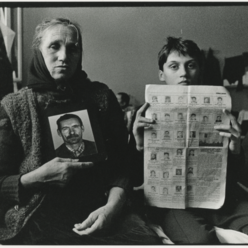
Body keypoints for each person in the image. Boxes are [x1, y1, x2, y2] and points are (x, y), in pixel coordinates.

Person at [0, 18, 161, 245]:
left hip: (102, 208)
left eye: (73, 48)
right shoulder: (14, 106)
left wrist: (112, 208)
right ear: (38, 51)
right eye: (54, 46)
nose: (64, 56)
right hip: (38, 216)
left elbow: (121, 167)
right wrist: (35, 179)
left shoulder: (101, 97)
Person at [129, 36, 246, 244]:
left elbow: (236, 177)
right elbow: (136, 181)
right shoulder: (145, 115)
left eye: (190, 65)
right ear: (161, 74)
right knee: (200, 240)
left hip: (219, 199)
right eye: (174, 66)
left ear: (199, 70)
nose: (183, 74)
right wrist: (139, 144)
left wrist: (236, 149)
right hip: (172, 204)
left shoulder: (222, 112)